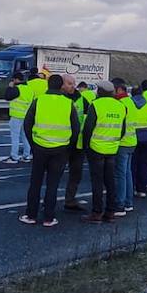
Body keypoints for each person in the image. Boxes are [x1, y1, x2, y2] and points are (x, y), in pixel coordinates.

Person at [18, 74, 81, 227]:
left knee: (36, 183)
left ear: (48, 85)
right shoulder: (68, 103)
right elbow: (76, 128)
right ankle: (49, 217)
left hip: (40, 147)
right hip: (60, 149)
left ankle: (31, 215)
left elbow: (27, 124)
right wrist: (67, 147)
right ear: (61, 86)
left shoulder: (39, 101)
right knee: (53, 184)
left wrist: (33, 144)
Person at [82, 80, 125, 222]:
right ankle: (110, 211)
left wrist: (86, 146)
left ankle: (96, 212)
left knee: (97, 182)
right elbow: (122, 130)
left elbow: (88, 128)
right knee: (110, 181)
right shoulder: (120, 106)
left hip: (96, 148)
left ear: (99, 91)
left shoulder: (96, 105)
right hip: (112, 148)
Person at [62, 74, 90, 212]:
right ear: (62, 85)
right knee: (55, 174)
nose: (72, 86)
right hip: (62, 142)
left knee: (76, 173)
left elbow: (88, 118)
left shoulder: (81, 99)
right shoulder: (58, 99)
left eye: (74, 83)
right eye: (69, 83)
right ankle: (48, 201)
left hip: (78, 143)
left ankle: (70, 200)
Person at [128, 80, 147, 204]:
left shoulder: (129, 105)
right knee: (145, 165)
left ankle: (132, 188)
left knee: (133, 165)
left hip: (134, 138)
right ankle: (142, 190)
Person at [112, 79, 138, 215]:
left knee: (120, 175)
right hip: (131, 141)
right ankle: (128, 202)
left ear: (119, 90)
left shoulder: (121, 104)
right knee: (127, 174)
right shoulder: (130, 102)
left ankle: (120, 204)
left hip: (122, 143)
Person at [4, 72, 33, 163]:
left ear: (16, 79)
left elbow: (7, 97)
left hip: (16, 116)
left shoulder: (17, 89)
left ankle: (14, 156)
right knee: (25, 137)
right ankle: (26, 155)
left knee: (15, 137)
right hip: (26, 116)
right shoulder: (29, 89)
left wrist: (10, 87)